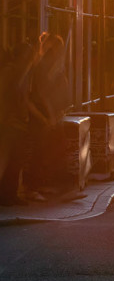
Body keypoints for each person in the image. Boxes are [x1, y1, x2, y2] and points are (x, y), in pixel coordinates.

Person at [25, 32, 73, 201]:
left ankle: (49, 185)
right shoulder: (44, 66)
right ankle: (37, 187)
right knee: (45, 150)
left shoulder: (50, 65)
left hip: (50, 114)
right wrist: (51, 115)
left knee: (51, 149)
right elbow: (42, 93)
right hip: (44, 116)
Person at [0, 43, 38, 206]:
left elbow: (24, 99)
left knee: (15, 161)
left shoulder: (24, 73)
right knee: (4, 159)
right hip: (8, 123)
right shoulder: (10, 71)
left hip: (18, 123)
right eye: (29, 56)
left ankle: (10, 195)